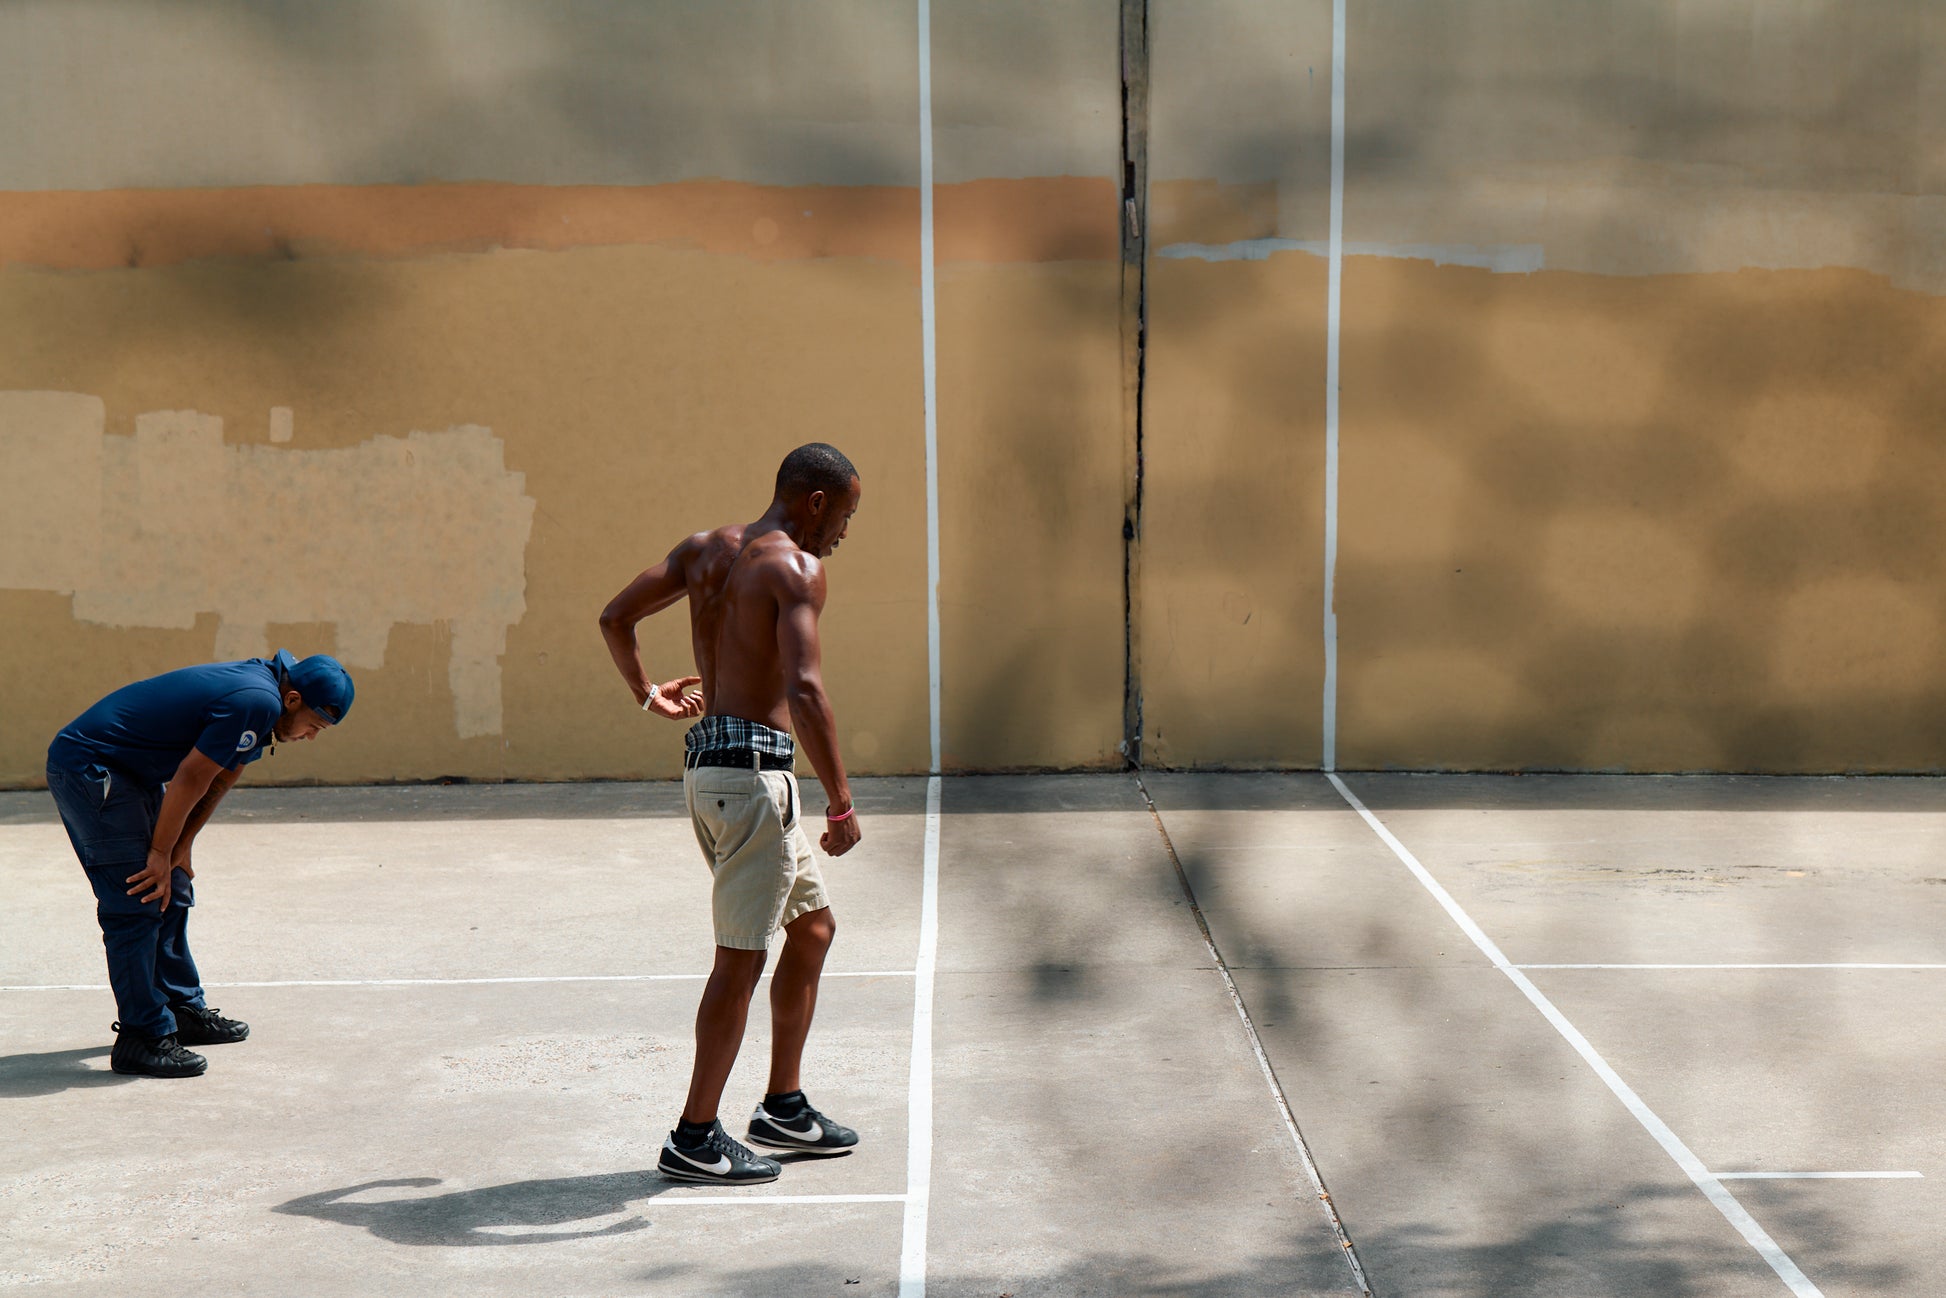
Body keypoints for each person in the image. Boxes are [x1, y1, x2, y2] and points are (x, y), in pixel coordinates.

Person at [599, 442, 864, 1185]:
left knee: (812, 929)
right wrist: (841, 801)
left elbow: (615, 618)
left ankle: (783, 1106)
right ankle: (694, 1136)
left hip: (715, 773)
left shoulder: (703, 550)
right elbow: (805, 690)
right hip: (752, 784)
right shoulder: (795, 568)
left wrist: (647, 693)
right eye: (846, 515)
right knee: (741, 960)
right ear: (816, 501)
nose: (845, 532)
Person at [45, 649, 354, 1078]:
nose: (311, 737)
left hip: (132, 772)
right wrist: (158, 853)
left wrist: (180, 846)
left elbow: (222, 776)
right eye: (314, 726)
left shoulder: (266, 700)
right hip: (91, 766)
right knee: (138, 896)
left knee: (173, 883)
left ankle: (178, 1008)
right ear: (294, 700)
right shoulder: (257, 699)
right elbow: (191, 777)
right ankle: (141, 1036)